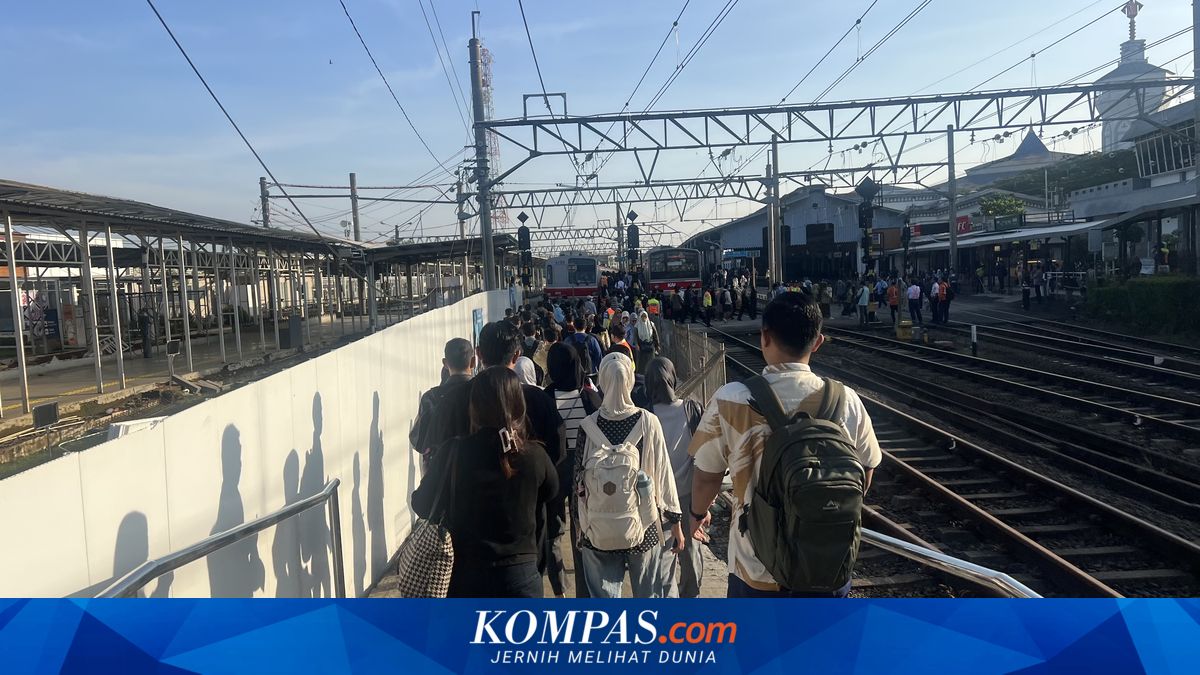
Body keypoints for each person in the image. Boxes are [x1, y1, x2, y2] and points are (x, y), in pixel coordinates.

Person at [686, 293, 881, 598]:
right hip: (826, 568)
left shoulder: (730, 400)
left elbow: (707, 477)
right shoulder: (846, 400)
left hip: (755, 569)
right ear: (817, 342)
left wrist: (697, 515)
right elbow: (865, 472)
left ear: (764, 336)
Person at [412, 367, 557, 598]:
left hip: (466, 576)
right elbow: (552, 491)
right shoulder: (534, 455)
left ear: (475, 407)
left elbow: (420, 503)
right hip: (521, 577)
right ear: (519, 405)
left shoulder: (453, 452)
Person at [572, 353, 683, 598]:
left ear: (602, 380)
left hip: (598, 529)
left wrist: (580, 526)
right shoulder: (648, 421)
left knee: (605, 601)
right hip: (643, 527)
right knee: (648, 595)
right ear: (631, 381)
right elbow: (664, 474)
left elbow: (577, 481)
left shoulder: (588, 426)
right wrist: (675, 522)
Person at [544, 343, 602, 597]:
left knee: (553, 532)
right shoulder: (588, 397)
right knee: (581, 534)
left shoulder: (545, 397)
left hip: (554, 471)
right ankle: (584, 592)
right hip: (583, 473)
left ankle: (559, 589)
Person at [645, 357, 704, 598]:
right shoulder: (691, 408)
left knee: (665, 553)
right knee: (692, 551)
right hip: (690, 492)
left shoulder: (646, 415)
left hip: (659, 497)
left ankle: (667, 603)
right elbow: (704, 454)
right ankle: (691, 598)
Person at [410, 338, 476, 470]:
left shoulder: (431, 398)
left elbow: (419, 442)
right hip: (478, 474)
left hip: (442, 477)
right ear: (473, 362)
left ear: (445, 364)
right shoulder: (484, 391)